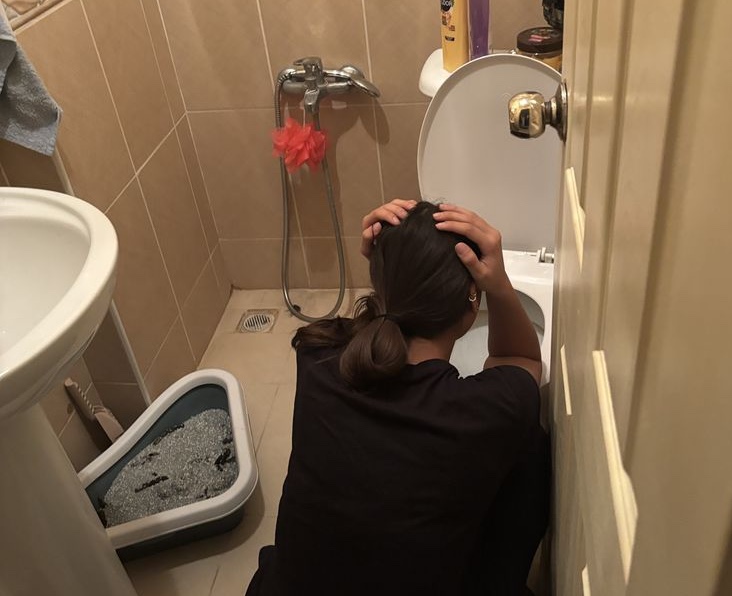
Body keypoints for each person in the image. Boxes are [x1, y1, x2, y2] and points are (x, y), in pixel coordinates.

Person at [246, 199, 550, 596]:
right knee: (532, 448)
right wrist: (500, 286)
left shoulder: (317, 355)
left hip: (286, 588)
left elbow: (375, 323)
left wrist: (385, 265)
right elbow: (522, 359)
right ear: (472, 299)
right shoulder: (482, 412)